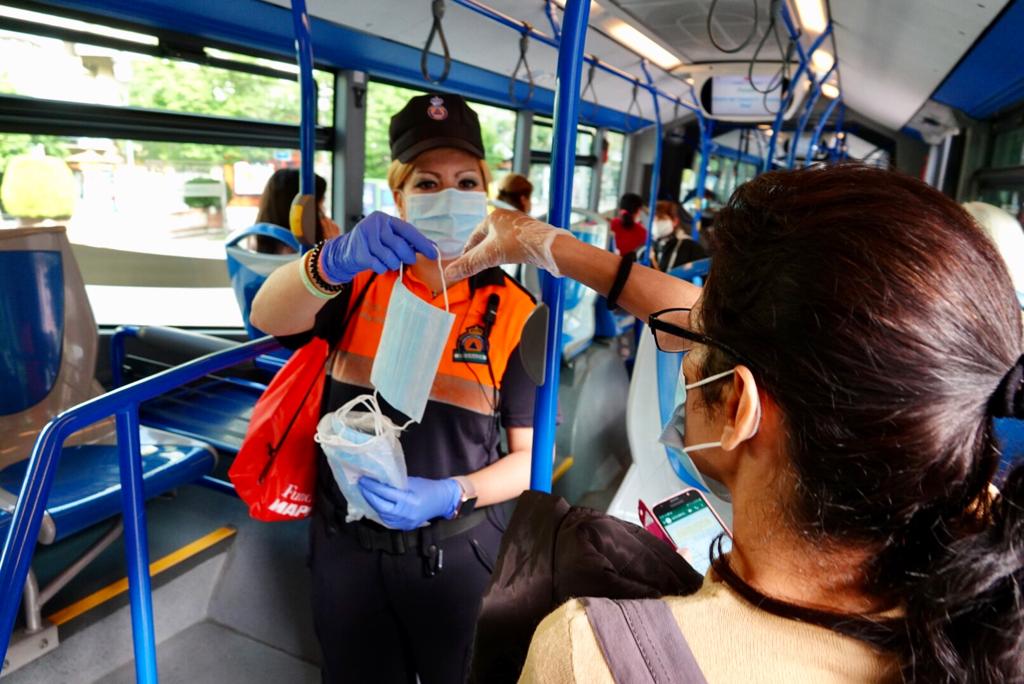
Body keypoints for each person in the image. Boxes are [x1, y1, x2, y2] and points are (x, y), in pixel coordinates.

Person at [446, 164, 1024, 683]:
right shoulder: (985, 532)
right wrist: (553, 247)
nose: (682, 344)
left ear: (741, 408)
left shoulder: (593, 656)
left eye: (698, 340)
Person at [249, 92, 537, 684]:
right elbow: (267, 316)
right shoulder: (357, 283)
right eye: (426, 183)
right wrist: (330, 261)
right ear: (398, 196)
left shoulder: (514, 310)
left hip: (455, 550)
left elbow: (529, 461)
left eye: (464, 181)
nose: (447, 196)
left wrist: (451, 492)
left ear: (483, 194)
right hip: (346, 546)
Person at [249, 168, 339, 253]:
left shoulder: (251, 245)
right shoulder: (304, 258)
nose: (323, 212)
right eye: (321, 205)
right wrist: (333, 248)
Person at [653, 200, 706, 271]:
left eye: (661, 218)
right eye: (654, 219)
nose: (656, 223)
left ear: (675, 221)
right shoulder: (648, 246)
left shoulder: (689, 247)